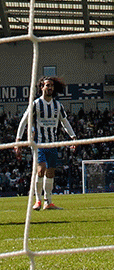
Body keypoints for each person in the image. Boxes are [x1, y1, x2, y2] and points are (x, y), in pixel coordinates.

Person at [15, 76, 78, 211]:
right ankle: (37, 200)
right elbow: (23, 121)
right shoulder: (36, 104)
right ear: (41, 87)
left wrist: (73, 137)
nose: (49, 88)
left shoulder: (58, 105)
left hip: (52, 143)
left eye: (51, 86)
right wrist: (18, 141)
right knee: (41, 168)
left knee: (50, 172)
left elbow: (64, 122)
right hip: (39, 143)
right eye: (47, 85)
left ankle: (48, 202)